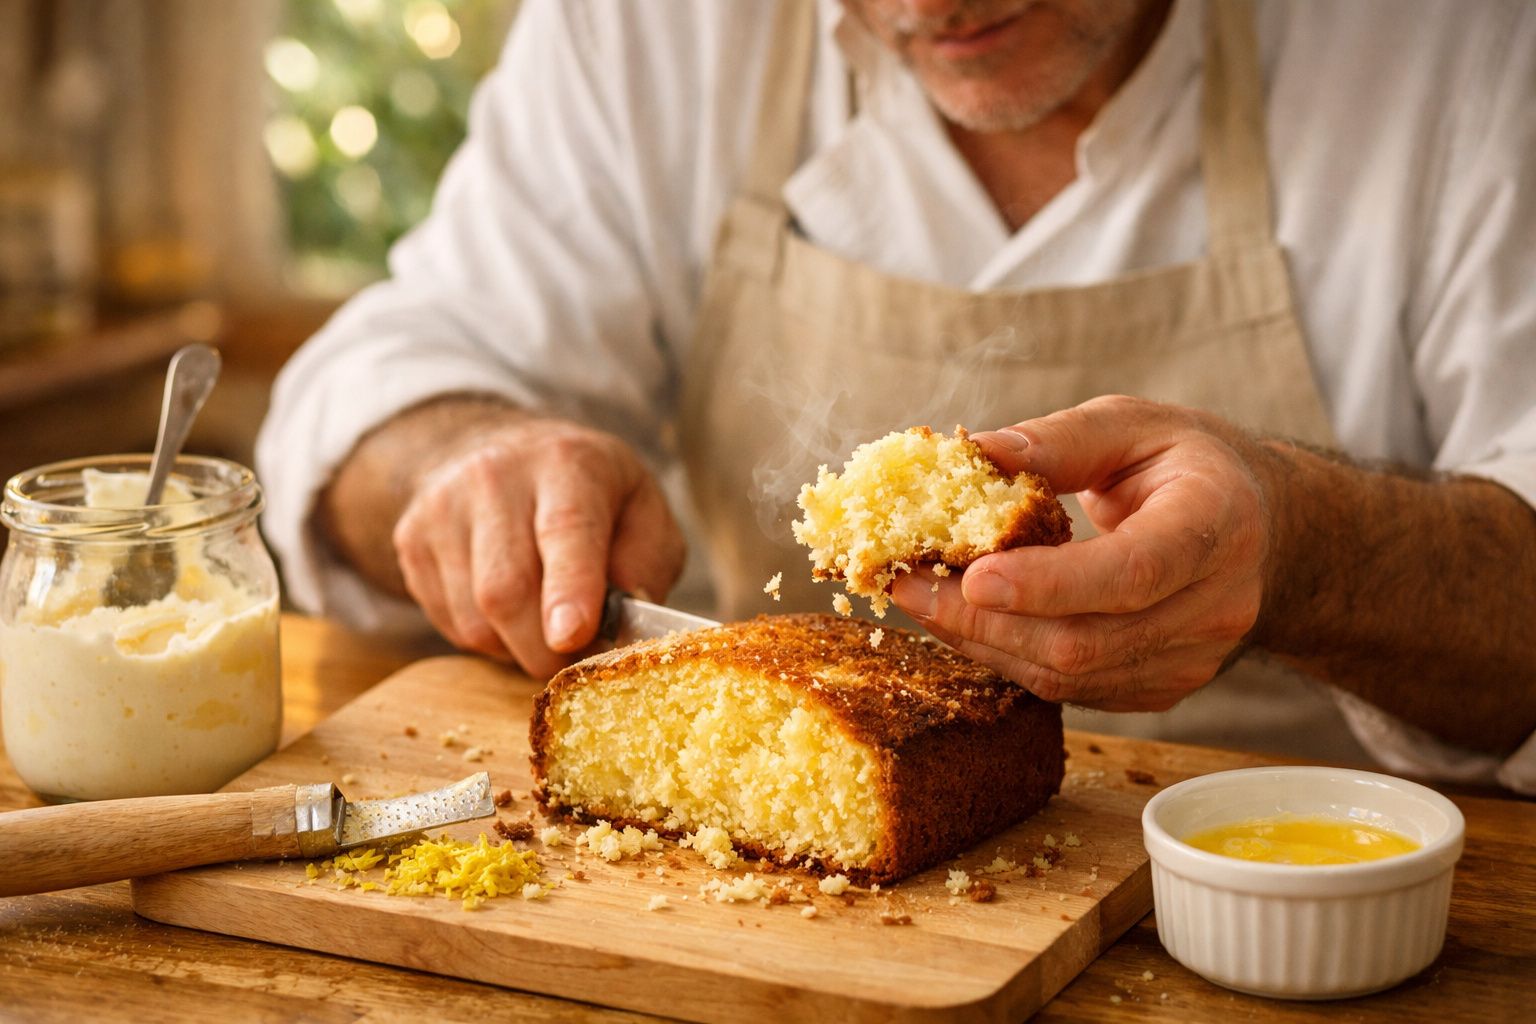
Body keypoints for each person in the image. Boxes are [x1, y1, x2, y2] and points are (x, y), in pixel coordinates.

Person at [256, 0, 1536, 792]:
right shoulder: (650, 23)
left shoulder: (1462, 45)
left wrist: (1304, 548)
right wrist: (467, 458)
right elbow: (397, 372)